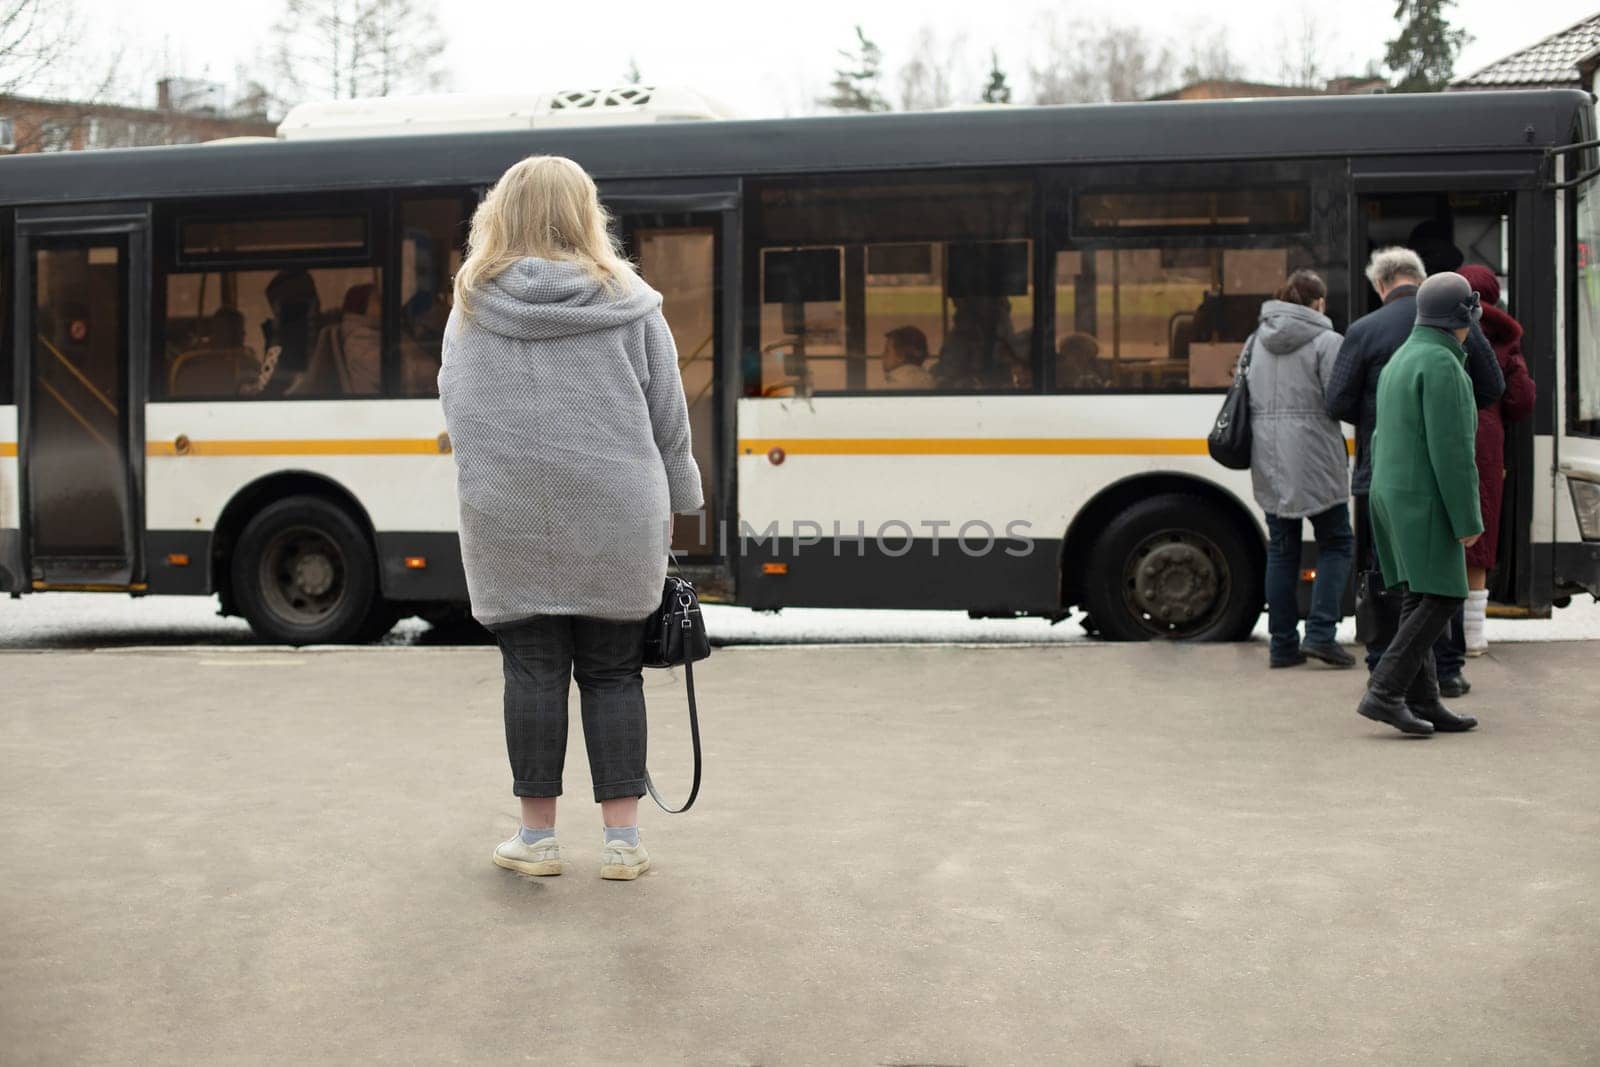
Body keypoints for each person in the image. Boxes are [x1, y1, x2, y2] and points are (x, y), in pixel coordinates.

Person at [438, 155, 703, 881]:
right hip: (619, 509)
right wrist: (680, 498)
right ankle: (623, 844)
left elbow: (459, 414)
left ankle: (537, 838)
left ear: (503, 211)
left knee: (532, 667)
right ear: (588, 214)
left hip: (509, 513)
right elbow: (668, 418)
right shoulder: (633, 303)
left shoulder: (471, 308)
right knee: (615, 671)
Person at [1324, 248, 1504, 679]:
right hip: (1435, 476)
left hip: (1380, 473)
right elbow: (1492, 385)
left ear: (1381, 285)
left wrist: (1391, 418)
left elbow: (1337, 401)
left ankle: (1381, 663)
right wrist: (1449, 411)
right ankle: (1445, 671)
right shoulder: (1454, 337)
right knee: (1442, 577)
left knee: (1391, 580)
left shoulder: (1365, 330)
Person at [1357, 272, 1484, 736]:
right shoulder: (1443, 365)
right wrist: (1468, 518)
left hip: (1390, 493)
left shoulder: (1401, 359)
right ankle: (1385, 691)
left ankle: (1425, 700)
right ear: (1459, 318)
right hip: (1424, 497)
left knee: (1419, 594)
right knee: (1446, 593)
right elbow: (1452, 451)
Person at [1244, 270, 1355, 669]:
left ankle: (1283, 646)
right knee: (1337, 541)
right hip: (1316, 455)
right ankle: (1322, 634)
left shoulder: (1255, 341)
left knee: (1282, 548)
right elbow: (1340, 399)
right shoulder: (1328, 342)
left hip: (1268, 455)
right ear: (1318, 304)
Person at [1450, 265, 1537, 657]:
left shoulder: (1442, 327)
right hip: (1486, 440)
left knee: (1446, 528)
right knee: (1479, 529)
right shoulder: (1506, 340)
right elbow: (1520, 401)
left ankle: (1442, 633)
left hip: (1447, 432)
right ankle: (1474, 635)